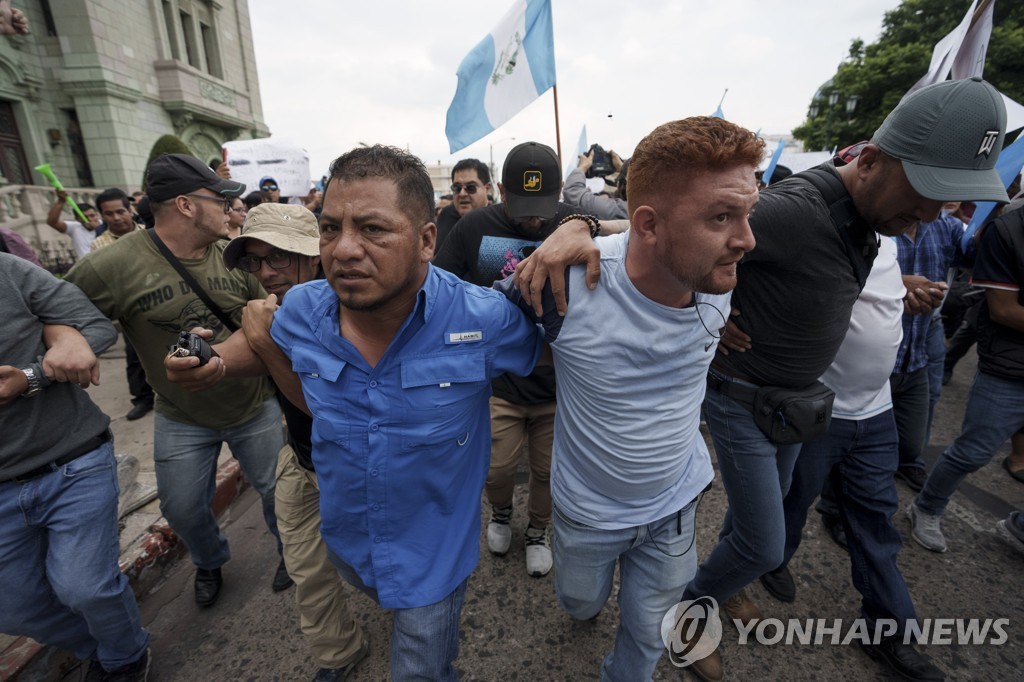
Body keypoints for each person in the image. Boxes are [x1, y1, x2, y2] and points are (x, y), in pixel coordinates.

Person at [514, 76, 1010, 682]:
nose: (933, 214)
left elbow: (729, 251)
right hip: (717, 423)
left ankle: (673, 625)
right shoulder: (799, 210)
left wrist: (714, 302)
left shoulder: (854, 225)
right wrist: (578, 226)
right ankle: (686, 608)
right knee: (608, 591)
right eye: (928, 191)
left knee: (765, 545)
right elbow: (671, 232)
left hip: (746, 451)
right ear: (872, 161)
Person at [499, 116, 760, 681]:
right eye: (721, 217)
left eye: (747, 214)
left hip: (675, 505)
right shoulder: (562, 286)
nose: (747, 238)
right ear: (647, 226)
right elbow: (449, 321)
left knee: (646, 637)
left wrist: (582, 217)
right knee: (578, 603)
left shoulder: (727, 266)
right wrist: (571, 227)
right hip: (587, 514)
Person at [269, 144, 543, 680]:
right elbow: (262, 344)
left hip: (434, 559)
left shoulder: (483, 319)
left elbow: (559, 351)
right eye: (330, 229)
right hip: (347, 539)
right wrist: (215, 355)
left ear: (425, 240)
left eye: (372, 229)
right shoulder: (301, 311)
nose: (343, 250)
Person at [64, 153, 288, 608]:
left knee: (279, 491)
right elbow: (57, 309)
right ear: (185, 205)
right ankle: (209, 559)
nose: (231, 208)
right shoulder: (115, 264)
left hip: (253, 404)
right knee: (182, 508)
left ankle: (291, 552)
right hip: (181, 414)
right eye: (221, 198)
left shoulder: (236, 254)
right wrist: (68, 340)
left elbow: (269, 316)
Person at [166, 203, 369, 681]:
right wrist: (198, 357)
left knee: (384, 570)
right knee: (306, 568)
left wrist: (261, 342)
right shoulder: (270, 315)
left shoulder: (360, 313)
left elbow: (326, 413)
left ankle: (418, 622)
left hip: (363, 469)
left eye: (279, 257)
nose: (267, 272)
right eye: (255, 261)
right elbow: (228, 355)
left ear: (315, 256)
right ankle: (338, 654)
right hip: (301, 464)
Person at [732, 235, 943, 681]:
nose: (923, 215)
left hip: (876, 409)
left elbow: (867, 288)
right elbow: (726, 252)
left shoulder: (888, 238)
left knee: (876, 521)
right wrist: (719, 311)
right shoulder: (814, 225)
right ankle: (774, 561)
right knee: (791, 498)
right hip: (818, 409)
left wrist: (902, 289)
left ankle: (888, 631)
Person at [0, 252, 150, 682]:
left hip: (72, 462)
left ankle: (124, 658)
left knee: (84, 586)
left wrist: (33, 375)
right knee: (14, 608)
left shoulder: (10, 272)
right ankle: (104, 646)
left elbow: (95, 328)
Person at [434, 141, 577, 577]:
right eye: (523, 206)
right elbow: (440, 289)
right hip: (497, 386)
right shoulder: (475, 227)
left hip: (559, 387)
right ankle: (499, 513)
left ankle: (537, 529)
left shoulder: (576, 223)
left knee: (548, 473)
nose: (534, 219)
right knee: (496, 471)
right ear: (500, 189)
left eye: (542, 207)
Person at [909, 202, 1024, 553]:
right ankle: (926, 506)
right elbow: (1003, 309)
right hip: (1010, 367)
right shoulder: (1008, 229)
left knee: (926, 397)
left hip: (927, 332)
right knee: (972, 451)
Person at [91, 187, 156, 422]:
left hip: (160, 301)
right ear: (102, 216)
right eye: (109, 214)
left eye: (121, 211)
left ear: (130, 210)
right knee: (135, 357)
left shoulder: (150, 234)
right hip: (130, 309)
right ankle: (142, 399)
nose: (117, 218)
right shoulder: (100, 245)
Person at [435, 158, 492, 250]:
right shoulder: (446, 215)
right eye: (457, 188)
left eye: (470, 187)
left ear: (487, 189)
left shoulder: (496, 219)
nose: (462, 194)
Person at [562, 148, 629, 219]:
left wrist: (582, 167)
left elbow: (573, 192)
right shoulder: (636, 208)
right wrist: (623, 169)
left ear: (622, 186)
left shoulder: (620, 210)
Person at [46, 190, 102, 258]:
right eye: (84, 217)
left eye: (92, 216)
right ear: (77, 219)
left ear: (97, 215)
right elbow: (52, 222)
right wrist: (61, 201)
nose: (90, 219)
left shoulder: (106, 225)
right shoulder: (75, 227)